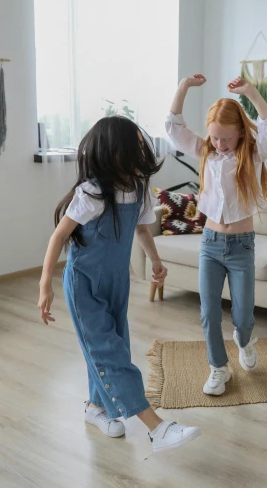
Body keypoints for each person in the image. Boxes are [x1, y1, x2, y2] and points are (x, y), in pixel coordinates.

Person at [38, 116, 201, 453]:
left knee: (114, 347)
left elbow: (141, 229)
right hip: (84, 282)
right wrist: (45, 285)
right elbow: (59, 236)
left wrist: (156, 261)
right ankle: (157, 429)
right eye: (137, 142)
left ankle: (96, 408)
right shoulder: (93, 192)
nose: (143, 146)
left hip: (117, 281)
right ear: (116, 150)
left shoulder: (139, 189)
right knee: (108, 352)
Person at [166, 74, 267, 395]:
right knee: (208, 313)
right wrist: (184, 87)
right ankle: (218, 367)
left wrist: (252, 93)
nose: (219, 144)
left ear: (241, 133)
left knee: (243, 316)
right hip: (211, 245)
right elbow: (174, 128)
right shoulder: (206, 152)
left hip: (242, 247)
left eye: (226, 138)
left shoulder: (254, 154)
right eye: (215, 138)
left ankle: (243, 342)